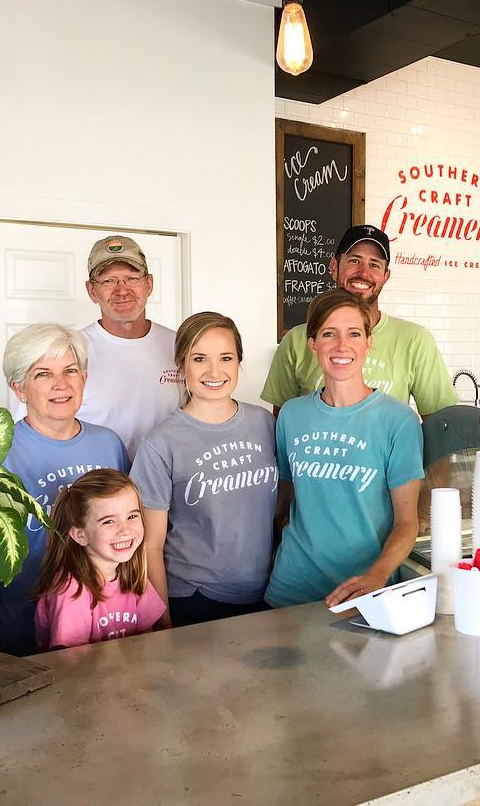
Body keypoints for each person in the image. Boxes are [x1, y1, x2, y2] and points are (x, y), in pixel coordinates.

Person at [265, 289, 424, 609]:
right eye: (328, 334)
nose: (341, 345)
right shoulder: (291, 416)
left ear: (368, 342)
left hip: (363, 590)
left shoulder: (399, 421)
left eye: (354, 333)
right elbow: (284, 501)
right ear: (312, 344)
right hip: (291, 587)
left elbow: (408, 522)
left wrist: (376, 576)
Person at [131, 312, 277, 627]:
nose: (214, 371)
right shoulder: (160, 443)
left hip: (266, 592)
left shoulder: (264, 423)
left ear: (239, 362)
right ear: (181, 366)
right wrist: (163, 622)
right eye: (200, 358)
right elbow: (150, 545)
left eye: (226, 357)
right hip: (196, 598)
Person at [0, 323, 129, 656]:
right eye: (43, 374)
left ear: (84, 377)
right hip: (24, 617)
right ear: (19, 388)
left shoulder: (108, 443)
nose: (61, 384)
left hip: (106, 616)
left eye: (70, 370)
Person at [261, 224, 457, 418]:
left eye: (374, 264)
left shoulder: (415, 340)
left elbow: (440, 425)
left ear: (385, 276)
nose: (364, 273)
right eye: (354, 261)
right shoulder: (296, 341)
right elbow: (282, 425)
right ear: (334, 267)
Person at [33, 469, 167, 650]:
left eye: (132, 516)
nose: (125, 530)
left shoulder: (131, 574)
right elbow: (71, 662)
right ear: (80, 535)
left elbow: (148, 635)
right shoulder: (71, 589)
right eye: (109, 521)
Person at [79, 234, 182, 459]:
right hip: (98, 487)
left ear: (149, 283)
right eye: (108, 280)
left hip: (167, 484)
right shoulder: (70, 351)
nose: (122, 290)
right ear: (91, 291)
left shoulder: (179, 346)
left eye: (132, 278)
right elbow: (34, 427)